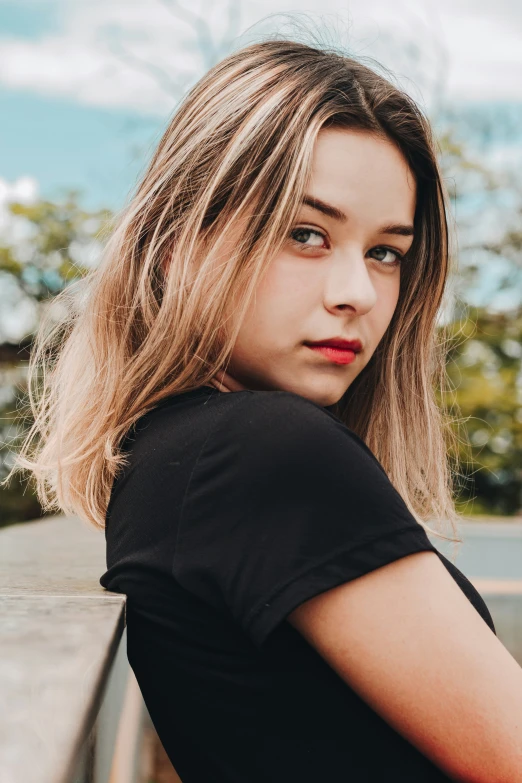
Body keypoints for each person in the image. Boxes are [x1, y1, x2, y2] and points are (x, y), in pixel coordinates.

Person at [8, 37, 522, 783]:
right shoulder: (261, 452)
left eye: (386, 251)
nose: (359, 292)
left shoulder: (171, 457)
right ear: (176, 244)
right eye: (305, 234)